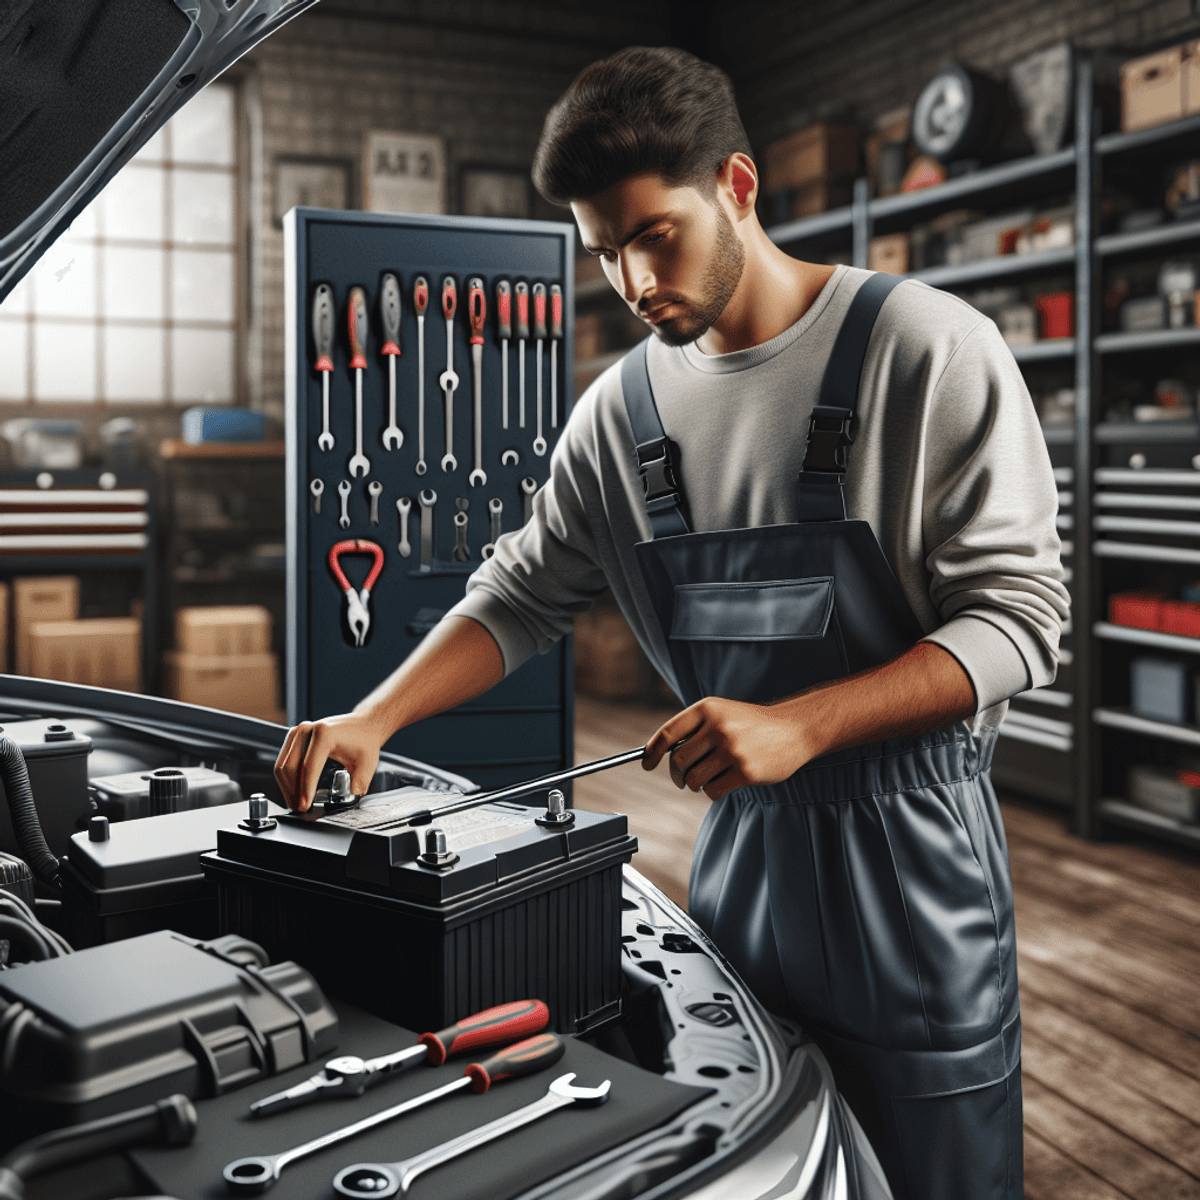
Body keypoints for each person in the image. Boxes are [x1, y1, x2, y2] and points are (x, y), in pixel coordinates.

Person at [275, 46, 1067, 1200]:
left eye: (655, 235)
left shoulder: (927, 349)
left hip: (915, 884)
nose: (633, 280)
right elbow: (521, 591)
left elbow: (1021, 623)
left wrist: (803, 724)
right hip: (740, 873)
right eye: (605, 253)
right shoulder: (622, 412)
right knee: (758, 1165)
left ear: (737, 185)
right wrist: (375, 716)